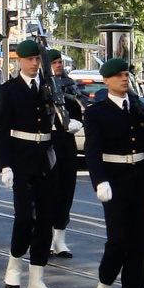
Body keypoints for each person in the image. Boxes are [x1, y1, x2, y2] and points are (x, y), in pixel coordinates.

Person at [84, 57, 144, 288]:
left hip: (140, 181)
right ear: (106, 80)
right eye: (117, 75)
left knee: (139, 245)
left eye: (126, 74)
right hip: (114, 182)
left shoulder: (139, 109)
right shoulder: (96, 112)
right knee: (118, 242)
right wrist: (99, 181)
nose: (124, 78)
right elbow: (93, 150)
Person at [0, 39, 69, 288]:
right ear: (19, 62)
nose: (35, 64)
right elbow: (2, 131)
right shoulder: (10, 91)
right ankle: (14, 266)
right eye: (30, 60)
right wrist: (5, 165)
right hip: (21, 159)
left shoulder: (49, 87)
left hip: (46, 159)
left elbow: (58, 116)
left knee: (46, 221)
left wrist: (67, 124)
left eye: (38, 59)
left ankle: (37, 281)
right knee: (25, 217)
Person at [48, 49, 83, 258]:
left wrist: (76, 123)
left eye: (60, 61)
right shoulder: (41, 86)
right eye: (54, 62)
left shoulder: (69, 85)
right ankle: (46, 236)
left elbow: (77, 111)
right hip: (46, 145)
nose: (58, 65)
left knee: (66, 191)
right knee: (48, 192)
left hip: (66, 144)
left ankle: (60, 238)